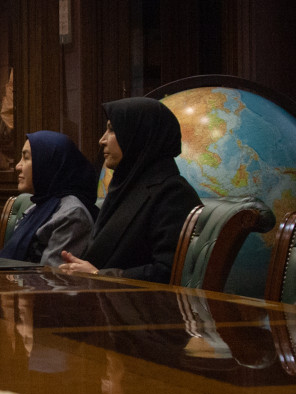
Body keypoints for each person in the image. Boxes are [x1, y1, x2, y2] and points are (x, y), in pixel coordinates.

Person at [59, 98, 200, 281]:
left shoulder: (173, 193)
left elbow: (167, 273)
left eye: (112, 129)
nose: (102, 140)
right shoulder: (125, 187)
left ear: (139, 135)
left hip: (138, 299)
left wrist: (98, 275)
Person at [0, 130, 97, 266]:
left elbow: (50, 275)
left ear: (48, 162)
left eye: (26, 158)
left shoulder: (72, 214)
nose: (17, 166)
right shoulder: (38, 206)